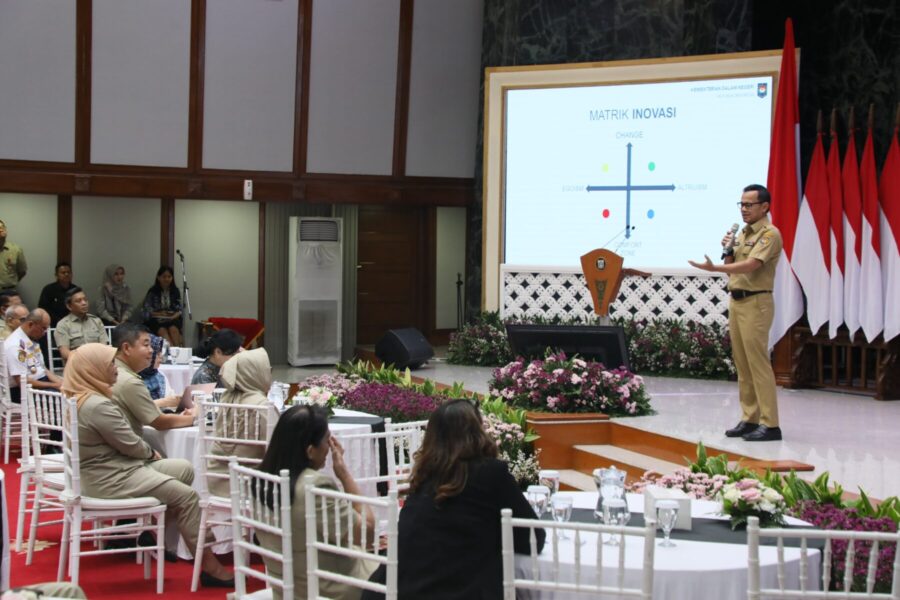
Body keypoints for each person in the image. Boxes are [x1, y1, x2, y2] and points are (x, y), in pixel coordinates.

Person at [61, 343, 233, 587]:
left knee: (183, 469)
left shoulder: (83, 397)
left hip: (105, 471)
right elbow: (130, 443)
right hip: (110, 478)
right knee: (186, 497)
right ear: (93, 369)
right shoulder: (97, 405)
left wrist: (148, 454)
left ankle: (150, 531)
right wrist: (151, 453)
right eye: (110, 364)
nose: (115, 368)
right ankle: (209, 565)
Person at [393, 399, 546, 598]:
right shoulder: (491, 473)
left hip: (403, 592)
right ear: (477, 432)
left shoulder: (424, 476)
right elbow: (533, 539)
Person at [688, 183, 784, 442]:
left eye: (749, 205)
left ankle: (770, 424)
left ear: (764, 206)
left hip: (756, 302)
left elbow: (752, 265)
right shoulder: (742, 233)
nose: (743, 209)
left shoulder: (769, 234)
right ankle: (750, 418)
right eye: (741, 204)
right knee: (742, 363)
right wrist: (728, 251)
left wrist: (714, 268)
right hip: (737, 300)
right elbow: (733, 267)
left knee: (758, 363)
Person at [256, 405, 376, 600]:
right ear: (310, 451)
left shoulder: (258, 480)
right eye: (327, 440)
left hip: (284, 587)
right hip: (330, 587)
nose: (330, 447)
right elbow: (367, 534)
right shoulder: (315, 487)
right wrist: (344, 474)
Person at [206, 347, 277, 497]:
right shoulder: (262, 406)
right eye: (267, 370)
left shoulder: (226, 397)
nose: (270, 374)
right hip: (248, 485)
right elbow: (278, 450)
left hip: (216, 479)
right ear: (254, 373)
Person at [111, 323, 194, 437]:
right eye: (146, 345)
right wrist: (195, 418)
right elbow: (160, 422)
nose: (151, 350)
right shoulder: (128, 381)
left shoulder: (112, 370)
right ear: (126, 348)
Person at [3, 308, 62, 402]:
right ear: (30, 324)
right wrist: (54, 385)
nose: (45, 333)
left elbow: (43, 369)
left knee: (73, 390)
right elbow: (22, 382)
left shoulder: (31, 338)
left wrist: (61, 383)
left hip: (41, 382)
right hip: (24, 390)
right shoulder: (15, 345)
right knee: (63, 399)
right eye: (43, 328)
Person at [54, 287, 108, 362]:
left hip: (97, 363)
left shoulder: (96, 321)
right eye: (78, 301)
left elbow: (104, 347)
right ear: (69, 306)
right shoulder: (63, 325)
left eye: (85, 300)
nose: (84, 303)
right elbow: (65, 353)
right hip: (76, 364)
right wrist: (84, 361)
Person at [142, 265, 184, 347]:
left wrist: (174, 315)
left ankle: (178, 350)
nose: (167, 279)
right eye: (164, 277)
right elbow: (146, 310)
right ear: (158, 277)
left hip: (171, 319)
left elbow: (179, 309)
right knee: (162, 331)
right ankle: (171, 351)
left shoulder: (175, 291)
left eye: (169, 277)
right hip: (156, 320)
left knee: (174, 329)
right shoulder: (153, 291)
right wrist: (159, 314)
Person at [139, 334, 178, 405]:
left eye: (161, 352)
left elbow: (170, 397)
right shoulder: (133, 378)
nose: (161, 356)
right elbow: (139, 406)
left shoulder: (160, 375)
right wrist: (163, 402)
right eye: (156, 353)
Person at [38, 262, 76, 327]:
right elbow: (42, 309)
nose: (66, 274)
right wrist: (59, 321)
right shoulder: (48, 289)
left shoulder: (75, 290)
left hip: (72, 323)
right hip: (53, 324)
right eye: (63, 272)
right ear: (56, 275)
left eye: (69, 272)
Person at [0, 219, 27, 292]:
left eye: (3, 227)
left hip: (9, 292)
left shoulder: (16, 250)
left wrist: (10, 283)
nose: (1, 229)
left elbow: (22, 271)